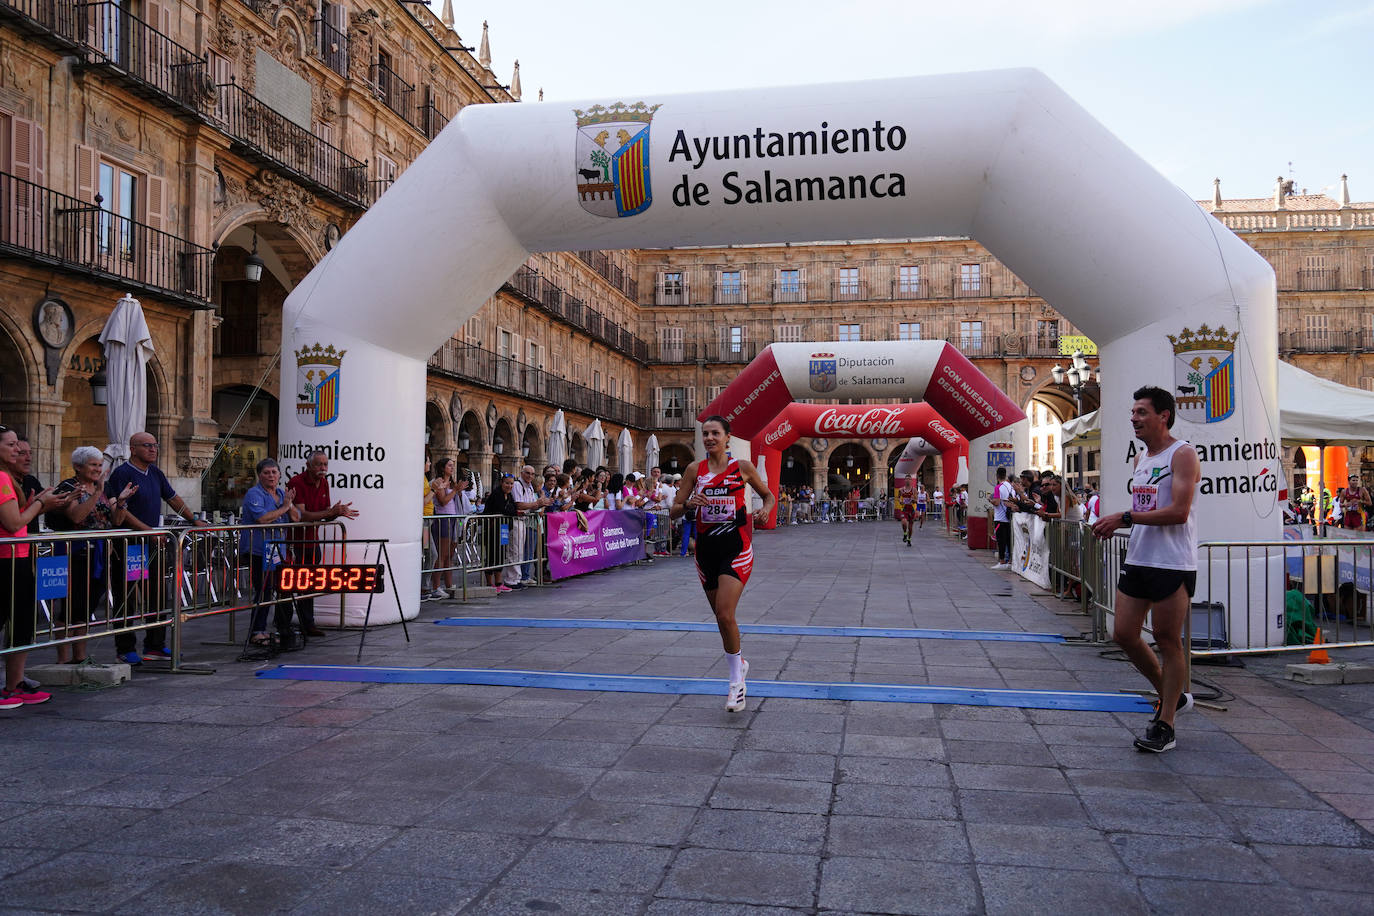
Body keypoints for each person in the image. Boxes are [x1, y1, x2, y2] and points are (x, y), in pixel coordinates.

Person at [1091, 386, 1200, 754]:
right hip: (1139, 557)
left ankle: (1165, 722)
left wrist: (1123, 517)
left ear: (1163, 416)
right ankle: (1171, 696)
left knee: (1169, 642)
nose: (1134, 418)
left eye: (1141, 412)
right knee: (1123, 634)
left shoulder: (1182, 454)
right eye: (1133, 412)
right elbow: (1148, 508)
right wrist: (1125, 521)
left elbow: (1179, 512)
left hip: (1172, 561)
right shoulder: (1142, 458)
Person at [669, 415, 775, 713]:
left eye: (715, 433)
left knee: (725, 613)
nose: (709, 438)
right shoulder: (694, 470)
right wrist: (688, 504)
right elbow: (673, 511)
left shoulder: (741, 468)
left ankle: (735, 684)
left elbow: (768, 496)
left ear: (728, 437)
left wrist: (765, 510)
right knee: (719, 616)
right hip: (706, 553)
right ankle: (739, 662)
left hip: (736, 549)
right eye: (705, 434)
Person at [105, 432, 208, 665]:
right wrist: (147, 531)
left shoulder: (156, 473)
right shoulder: (122, 474)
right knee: (127, 597)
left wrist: (193, 519)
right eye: (147, 445)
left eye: (155, 445)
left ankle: (155, 644)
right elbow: (122, 510)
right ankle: (125, 647)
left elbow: (173, 498)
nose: (153, 449)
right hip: (130, 545)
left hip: (152, 544)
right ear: (133, 448)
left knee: (158, 593)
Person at [0, 426, 72, 706]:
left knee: (22, 624)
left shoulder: (10, 478)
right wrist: (41, 502)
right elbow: (14, 523)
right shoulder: (2, 478)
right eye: (11, 445)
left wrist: (41, 504)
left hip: (18, 557)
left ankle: (14, 684)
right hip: (6, 559)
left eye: (18, 444)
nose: (18, 450)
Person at [49, 447, 137, 663]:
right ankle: (63, 658)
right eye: (93, 465)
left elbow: (116, 521)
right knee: (70, 606)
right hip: (75, 553)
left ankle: (79, 657)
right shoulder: (70, 487)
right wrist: (97, 493)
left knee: (86, 606)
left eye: (99, 465)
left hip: (98, 554)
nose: (98, 469)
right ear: (78, 467)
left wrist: (122, 502)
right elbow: (77, 516)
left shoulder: (102, 490)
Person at [287, 450, 359, 636]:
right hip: (295, 543)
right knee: (289, 585)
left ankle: (308, 624)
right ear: (308, 465)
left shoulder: (324, 482)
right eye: (319, 464)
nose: (323, 468)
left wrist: (338, 512)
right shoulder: (296, 482)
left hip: (313, 542)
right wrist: (330, 513)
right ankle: (285, 625)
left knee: (309, 584)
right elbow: (303, 515)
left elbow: (324, 513)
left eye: (325, 464)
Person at [240, 459, 300, 648]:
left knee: (281, 590)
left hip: (278, 550)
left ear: (280, 475)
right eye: (267, 472)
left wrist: (289, 506)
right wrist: (284, 507)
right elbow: (262, 519)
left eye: (274, 472)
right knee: (263, 590)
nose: (271, 476)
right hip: (259, 550)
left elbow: (296, 518)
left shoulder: (282, 494)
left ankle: (280, 628)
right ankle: (257, 631)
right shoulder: (254, 494)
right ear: (260, 475)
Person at [511, 464, 551, 587]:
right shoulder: (518, 485)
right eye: (527, 473)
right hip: (519, 520)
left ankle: (520, 577)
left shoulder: (529, 488)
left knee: (522, 552)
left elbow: (532, 505)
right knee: (517, 551)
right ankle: (515, 579)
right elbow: (519, 504)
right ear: (522, 473)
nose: (530, 476)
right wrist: (537, 503)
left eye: (532, 474)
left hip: (526, 520)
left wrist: (540, 504)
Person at [428, 458, 461, 598]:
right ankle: (435, 587)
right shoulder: (439, 482)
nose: (452, 468)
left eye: (453, 465)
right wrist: (455, 490)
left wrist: (456, 490)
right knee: (441, 555)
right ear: (442, 468)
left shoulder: (451, 483)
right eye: (449, 465)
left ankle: (448, 584)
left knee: (449, 555)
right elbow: (442, 502)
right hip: (443, 519)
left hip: (452, 518)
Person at [482, 474, 518, 592]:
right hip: (493, 528)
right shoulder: (496, 494)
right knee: (492, 554)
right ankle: (489, 583)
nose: (509, 486)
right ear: (501, 483)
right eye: (507, 483)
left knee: (501, 554)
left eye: (511, 483)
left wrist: (511, 511)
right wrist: (511, 511)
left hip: (503, 528)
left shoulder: (509, 495)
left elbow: (513, 509)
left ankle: (498, 582)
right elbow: (503, 509)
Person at [990, 466, 1013, 569]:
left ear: (997, 475)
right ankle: (1010, 561)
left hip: (1000, 517)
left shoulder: (998, 487)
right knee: (1009, 540)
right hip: (1009, 518)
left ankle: (1002, 561)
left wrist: (989, 500)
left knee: (1001, 540)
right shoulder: (1010, 486)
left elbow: (997, 502)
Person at [894, 477, 917, 545]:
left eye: (909, 479)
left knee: (910, 527)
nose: (908, 480)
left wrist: (913, 500)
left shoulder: (914, 490)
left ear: (911, 481)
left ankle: (909, 539)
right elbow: (898, 498)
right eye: (906, 479)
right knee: (904, 522)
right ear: (904, 480)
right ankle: (905, 533)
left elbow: (916, 500)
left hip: (911, 509)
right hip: (904, 508)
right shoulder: (901, 490)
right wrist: (900, 501)